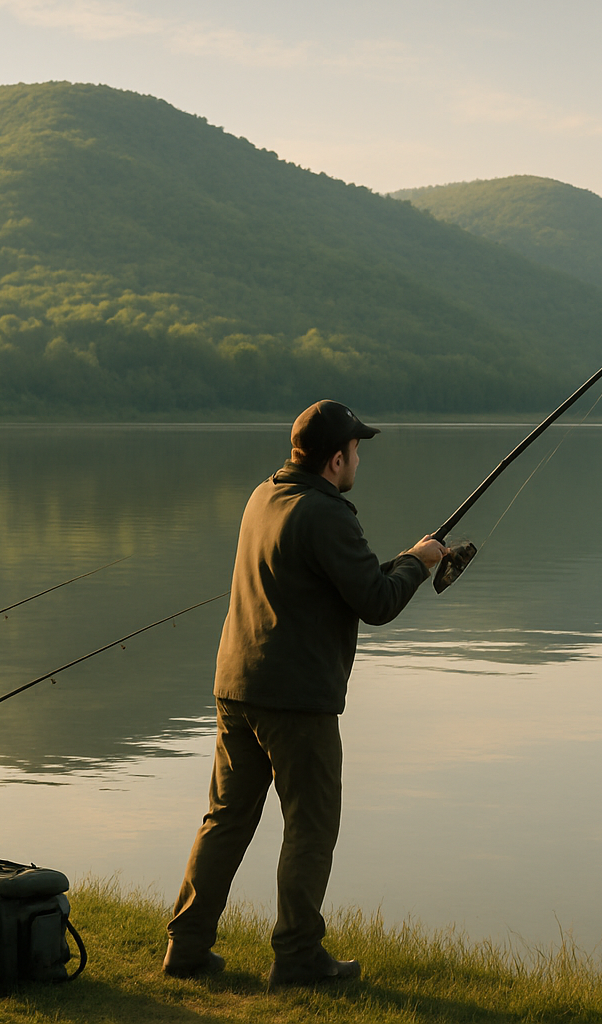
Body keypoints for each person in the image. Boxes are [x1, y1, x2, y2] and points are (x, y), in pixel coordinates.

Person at [163, 399, 447, 987]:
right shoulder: (328, 514)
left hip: (236, 688)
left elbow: (351, 581)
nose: (359, 460)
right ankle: (296, 956)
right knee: (310, 825)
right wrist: (418, 564)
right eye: (357, 451)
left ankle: (185, 946)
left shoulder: (263, 496)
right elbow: (377, 602)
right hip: (295, 702)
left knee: (226, 818)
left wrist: (405, 561)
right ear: (336, 458)